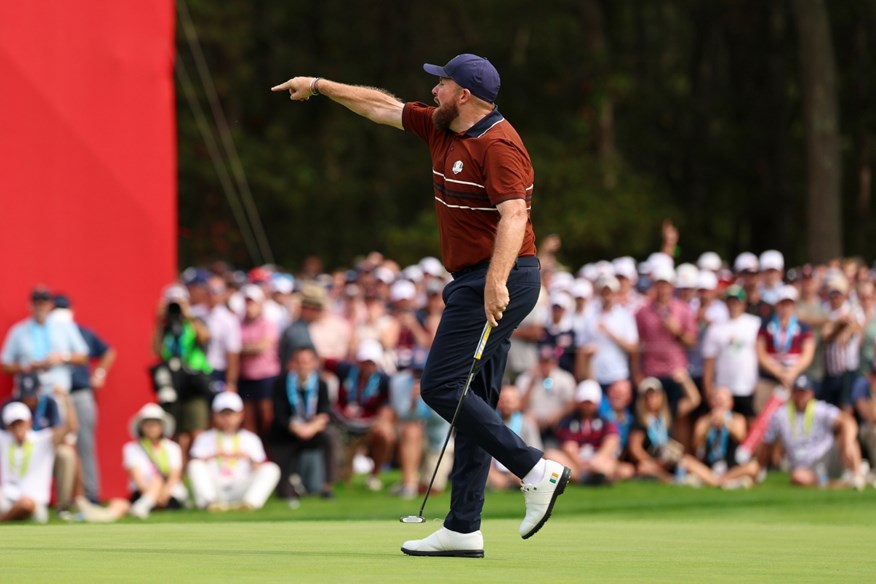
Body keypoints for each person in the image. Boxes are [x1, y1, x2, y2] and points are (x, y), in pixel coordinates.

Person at [273, 53, 570, 558]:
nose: (433, 90)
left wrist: (494, 284)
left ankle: (536, 469)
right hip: (478, 279)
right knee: (473, 399)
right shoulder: (442, 128)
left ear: (466, 95)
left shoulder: (499, 145)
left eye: (443, 84)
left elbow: (514, 215)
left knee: (440, 385)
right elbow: (380, 107)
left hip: (500, 279)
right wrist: (320, 84)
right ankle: (462, 528)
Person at [51, 294, 116, 504]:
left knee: (85, 445)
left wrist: (99, 374)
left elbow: (107, 351)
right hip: (56, 395)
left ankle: (90, 496)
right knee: (55, 445)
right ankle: (62, 498)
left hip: (80, 393)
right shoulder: (46, 333)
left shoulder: (82, 332)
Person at [760, 375, 866, 489]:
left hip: (827, 459)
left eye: (804, 393)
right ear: (793, 393)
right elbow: (767, 442)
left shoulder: (820, 409)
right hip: (805, 467)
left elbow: (848, 422)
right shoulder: (780, 415)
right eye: (798, 392)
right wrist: (761, 465)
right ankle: (840, 484)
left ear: (811, 393)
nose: (801, 397)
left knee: (847, 436)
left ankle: (857, 475)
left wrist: (847, 443)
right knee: (798, 476)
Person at [188, 392, 281, 511]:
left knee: (272, 468)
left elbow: (259, 466)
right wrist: (212, 456)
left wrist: (248, 459)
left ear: (240, 415)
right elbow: (194, 466)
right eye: (223, 414)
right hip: (215, 486)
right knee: (195, 464)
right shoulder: (204, 438)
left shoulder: (251, 438)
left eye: (231, 414)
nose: (227, 419)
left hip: (240, 485)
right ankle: (210, 503)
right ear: (215, 415)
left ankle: (249, 504)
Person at [269, 346, 336, 503]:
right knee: (284, 494)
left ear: (314, 363)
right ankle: (288, 486)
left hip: (312, 432)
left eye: (306, 362)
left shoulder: (321, 384)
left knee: (330, 437)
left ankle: (328, 487)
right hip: (287, 434)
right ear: (292, 363)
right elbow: (280, 416)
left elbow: (325, 412)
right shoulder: (281, 383)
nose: (303, 366)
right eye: (299, 362)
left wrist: (310, 428)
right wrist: (298, 428)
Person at [0, 376, 76, 514]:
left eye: (20, 423)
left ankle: (63, 506)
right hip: (8, 495)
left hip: (33, 498)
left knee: (66, 454)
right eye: (13, 424)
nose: (18, 428)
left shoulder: (41, 436)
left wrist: (66, 398)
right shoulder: (5, 437)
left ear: (28, 422)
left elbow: (70, 427)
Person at [326, 339, 395, 491]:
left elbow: (386, 410)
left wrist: (381, 421)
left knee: (385, 434)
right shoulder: (345, 369)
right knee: (341, 480)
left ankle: (374, 476)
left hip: (368, 427)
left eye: (371, 362)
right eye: (364, 361)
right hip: (343, 425)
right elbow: (321, 361)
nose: (367, 366)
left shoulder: (384, 381)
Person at [1, 286, 88, 396]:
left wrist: (63, 357)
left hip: (58, 391)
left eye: (44, 303)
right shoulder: (18, 331)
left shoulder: (65, 327)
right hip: (29, 394)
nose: (40, 307)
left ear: (51, 305)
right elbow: (5, 365)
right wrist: (27, 366)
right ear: (30, 305)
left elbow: (83, 357)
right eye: (37, 303)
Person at [389, 352, 453, 499]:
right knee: (412, 430)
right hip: (411, 437)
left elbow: (443, 418)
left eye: (422, 372)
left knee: (433, 489)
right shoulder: (399, 382)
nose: (419, 376)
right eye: (416, 372)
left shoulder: (444, 382)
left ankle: (414, 483)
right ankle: (409, 484)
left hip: (438, 439)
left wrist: (429, 399)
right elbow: (401, 416)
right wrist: (412, 404)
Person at [547, 380, 634, 485]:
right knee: (551, 455)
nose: (587, 406)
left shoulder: (605, 420)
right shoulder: (569, 421)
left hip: (597, 460)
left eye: (590, 403)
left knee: (611, 464)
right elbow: (569, 447)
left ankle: (591, 476)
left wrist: (598, 459)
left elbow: (612, 440)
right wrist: (581, 464)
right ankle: (585, 477)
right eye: (585, 402)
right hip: (576, 463)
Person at [628, 374, 702, 483]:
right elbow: (635, 448)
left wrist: (685, 380)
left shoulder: (668, 413)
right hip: (652, 460)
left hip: (668, 458)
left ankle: (718, 481)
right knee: (645, 467)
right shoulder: (640, 420)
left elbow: (694, 400)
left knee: (687, 460)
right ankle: (673, 480)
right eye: (648, 397)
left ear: (661, 396)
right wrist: (652, 461)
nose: (652, 400)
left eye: (655, 396)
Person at [701, 285, 761, 420]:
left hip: (748, 387)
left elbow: (761, 355)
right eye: (730, 301)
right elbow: (709, 362)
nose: (734, 304)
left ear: (744, 303)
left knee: (749, 426)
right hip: (723, 389)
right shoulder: (715, 328)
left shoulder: (755, 324)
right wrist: (708, 391)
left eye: (737, 301)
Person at [124, 403, 189, 519]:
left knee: (158, 480)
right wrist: (151, 494)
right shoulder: (132, 448)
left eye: (155, 424)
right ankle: (144, 504)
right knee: (156, 480)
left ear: (162, 426)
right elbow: (137, 477)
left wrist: (163, 495)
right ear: (141, 427)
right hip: (142, 492)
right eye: (147, 424)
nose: (151, 428)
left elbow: (174, 476)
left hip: (169, 494)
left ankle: (143, 506)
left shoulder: (172, 447)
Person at [576, 274, 639, 390]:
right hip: (594, 376)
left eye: (609, 292)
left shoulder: (625, 316)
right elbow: (581, 347)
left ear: (616, 294)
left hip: (618, 375)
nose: (607, 296)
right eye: (604, 292)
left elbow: (632, 347)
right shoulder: (589, 317)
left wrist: (610, 333)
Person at [238, 284, 281, 439]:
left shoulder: (268, 323)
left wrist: (242, 348)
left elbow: (262, 347)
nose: (250, 306)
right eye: (247, 302)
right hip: (246, 375)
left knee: (266, 416)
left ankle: (269, 449)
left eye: (253, 302)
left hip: (266, 375)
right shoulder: (239, 323)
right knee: (248, 419)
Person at [516, 343, 576, 448]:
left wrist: (555, 416)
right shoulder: (525, 378)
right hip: (533, 420)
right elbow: (521, 406)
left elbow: (571, 404)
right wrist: (532, 383)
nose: (545, 365)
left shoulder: (565, 378)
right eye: (542, 361)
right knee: (525, 421)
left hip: (557, 420)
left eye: (548, 361)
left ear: (555, 362)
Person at [488, 385, 542, 490]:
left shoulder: (527, 423)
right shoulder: (491, 422)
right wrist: (492, 473)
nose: (506, 404)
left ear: (519, 402)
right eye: (503, 400)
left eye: (510, 400)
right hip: (495, 470)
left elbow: (536, 450)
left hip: (520, 470)